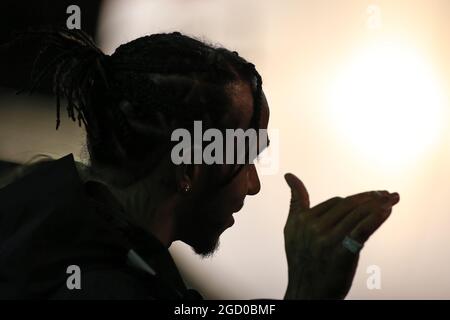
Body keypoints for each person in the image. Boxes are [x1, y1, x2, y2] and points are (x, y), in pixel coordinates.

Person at [0, 29, 400, 299]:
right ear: (187, 169)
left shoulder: (40, 215)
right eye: (244, 158)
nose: (254, 184)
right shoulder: (105, 287)